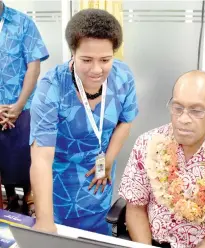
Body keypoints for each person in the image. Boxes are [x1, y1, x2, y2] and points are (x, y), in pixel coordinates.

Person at [119, 71, 205, 248]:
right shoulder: (147, 144)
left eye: (196, 110)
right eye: (177, 108)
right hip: (149, 242)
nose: (183, 119)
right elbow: (136, 207)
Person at [30, 9, 138, 235]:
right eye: (86, 60)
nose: (96, 69)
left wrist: (108, 161)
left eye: (105, 60)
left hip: (101, 176)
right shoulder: (52, 87)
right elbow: (41, 157)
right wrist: (44, 220)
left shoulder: (123, 77)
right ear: (73, 52)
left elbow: (125, 122)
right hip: (61, 181)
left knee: (99, 232)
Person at [0, 0, 49, 216]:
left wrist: (18, 106)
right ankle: (8, 197)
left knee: (26, 155)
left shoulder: (23, 23)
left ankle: (30, 196)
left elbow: (34, 67)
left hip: (24, 105)